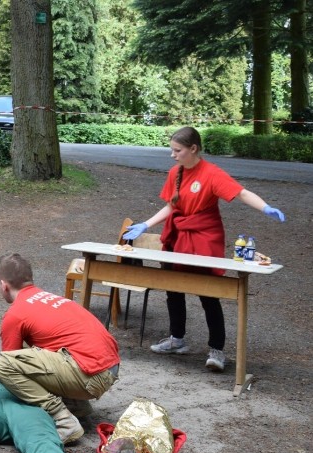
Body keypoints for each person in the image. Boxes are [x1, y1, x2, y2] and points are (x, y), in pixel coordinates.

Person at [121, 126, 287, 372]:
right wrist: (146, 224)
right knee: (173, 288)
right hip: (178, 237)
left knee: (209, 293)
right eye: (172, 150)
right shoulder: (174, 173)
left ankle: (217, 350)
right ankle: (177, 339)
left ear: (193, 149)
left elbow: (241, 193)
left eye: (177, 150)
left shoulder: (211, 173)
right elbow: (171, 207)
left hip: (204, 238)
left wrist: (265, 208)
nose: (173, 154)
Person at [0, 253, 120, 444]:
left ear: (4, 285)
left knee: (3, 365)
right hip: (109, 368)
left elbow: (8, 361)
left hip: (90, 374)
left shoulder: (16, 314)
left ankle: (64, 421)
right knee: (38, 352)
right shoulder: (52, 298)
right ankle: (75, 404)